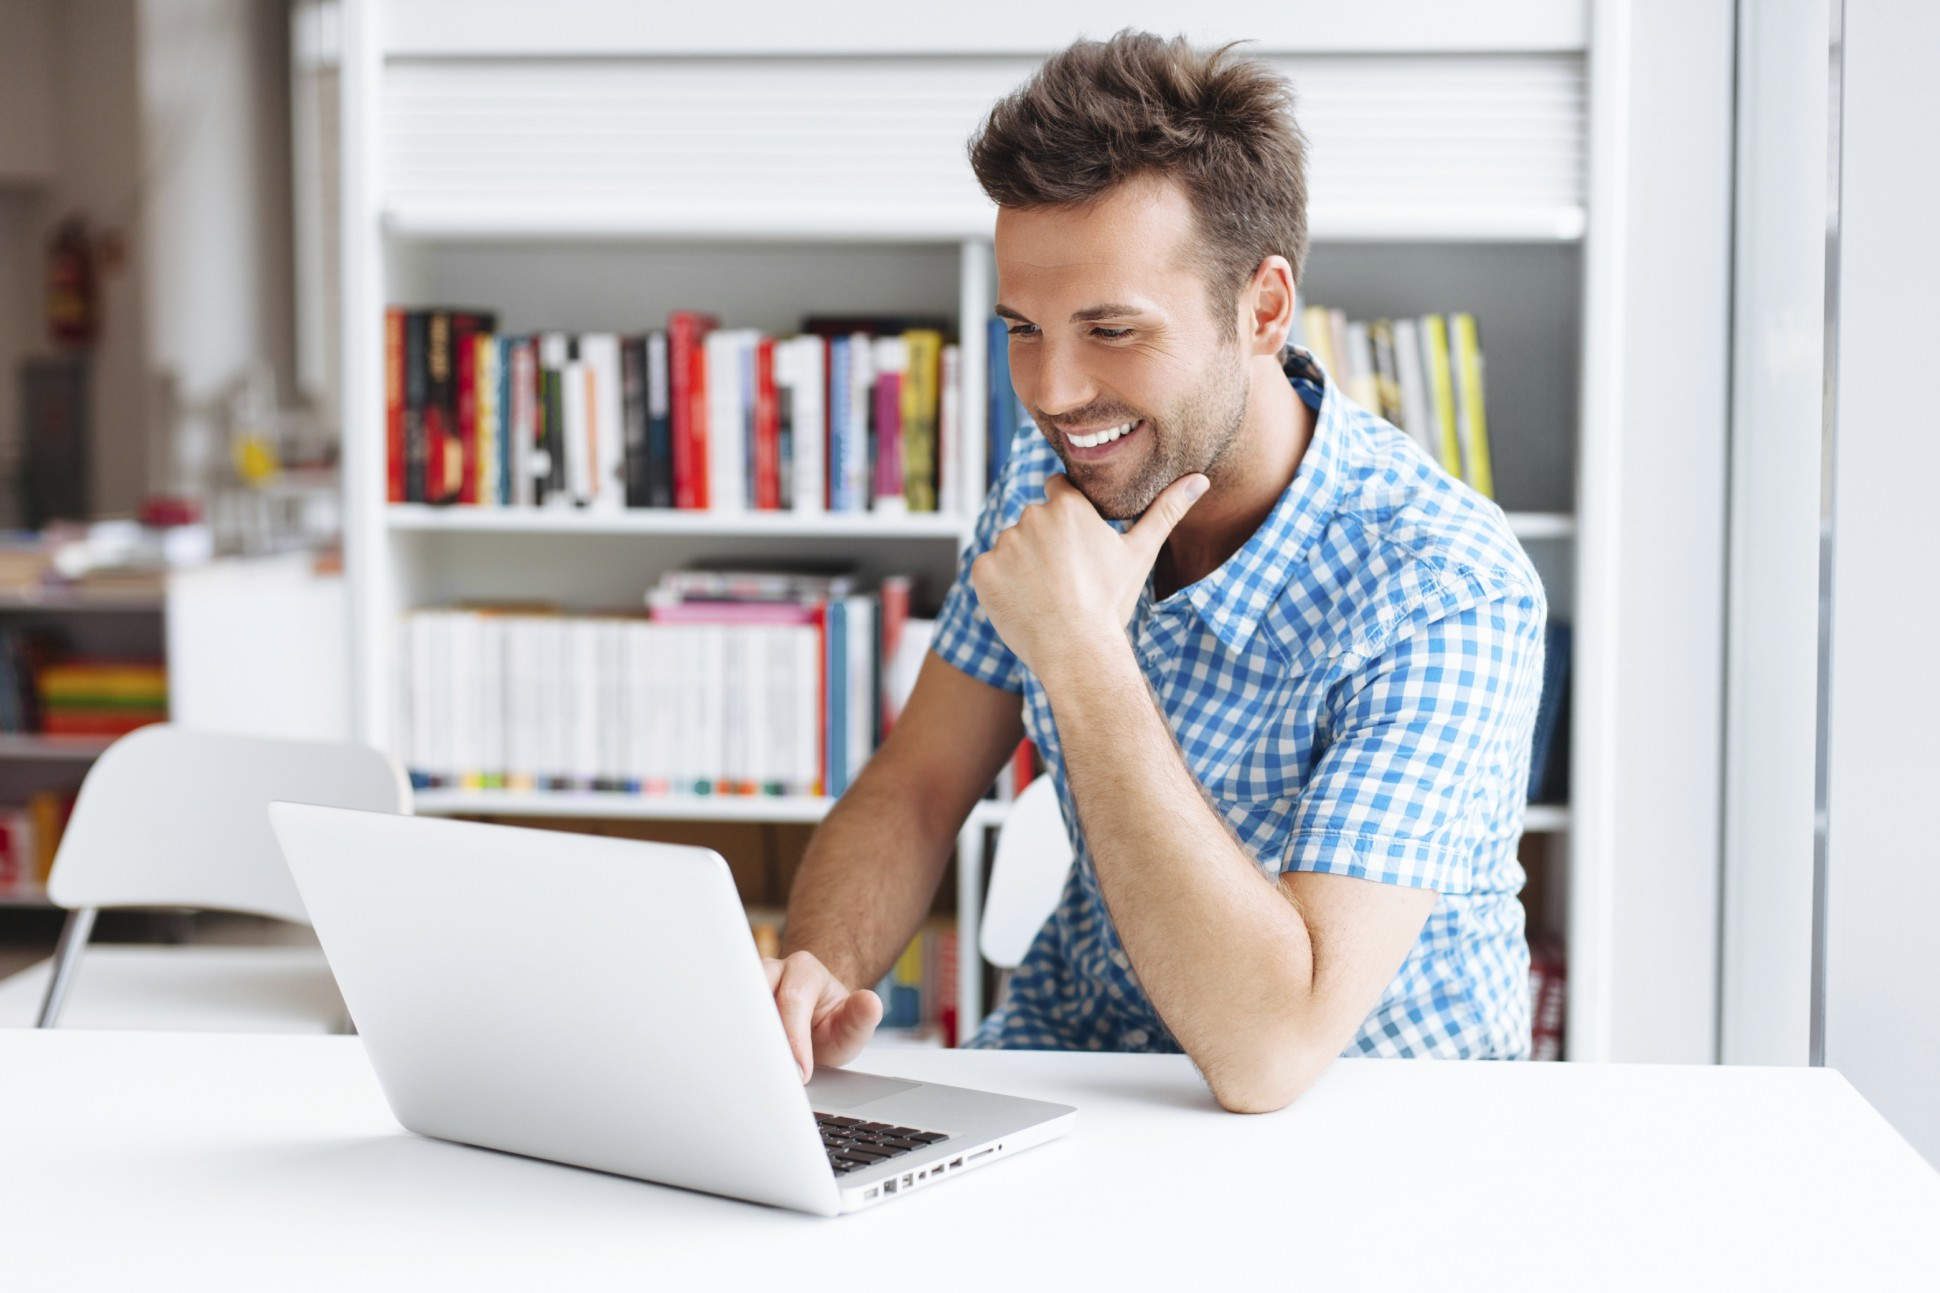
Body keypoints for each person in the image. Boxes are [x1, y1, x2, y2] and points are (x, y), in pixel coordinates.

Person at [767, 29, 1547, 1113]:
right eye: (1023, 329)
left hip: (1363, 1113)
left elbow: (1270, 1056)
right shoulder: (1051, 487)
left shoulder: (1440, 587)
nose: (1051, 389)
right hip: (1076, 1061)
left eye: (1111, 330)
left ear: (1263, 309)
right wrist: (819, 973)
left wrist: (1084, 654)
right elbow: (917, 785)